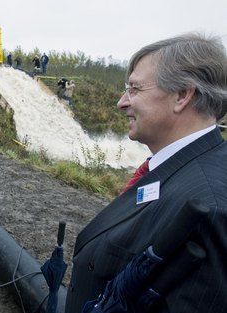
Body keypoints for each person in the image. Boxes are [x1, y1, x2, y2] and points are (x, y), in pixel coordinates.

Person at [65, 33, 227, 313]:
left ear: (182, 95)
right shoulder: (177, 168)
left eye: (135, 89)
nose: (121, 102)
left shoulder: (210, 209)